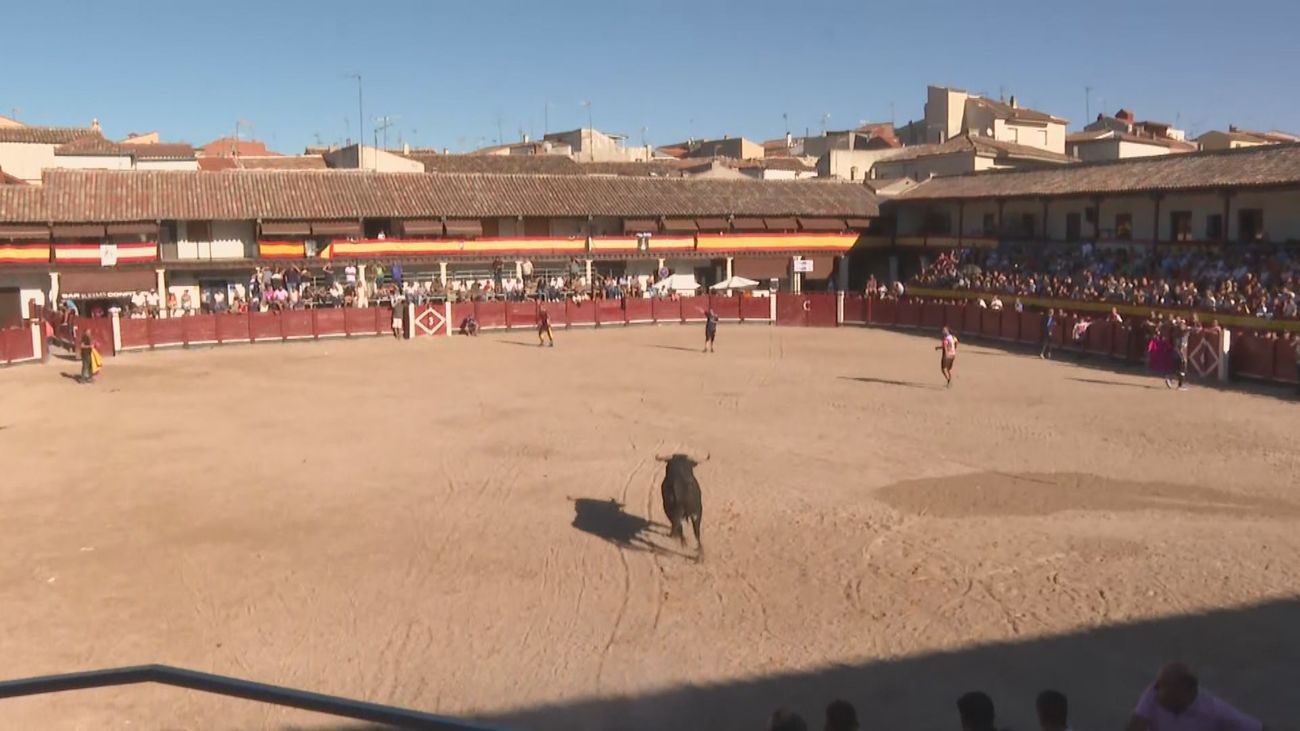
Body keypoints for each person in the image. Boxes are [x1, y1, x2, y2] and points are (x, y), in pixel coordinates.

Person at [1124, 662, 1264, 731]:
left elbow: (1255, 727)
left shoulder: (1212, 710)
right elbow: (1135, 726)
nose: (1155, 692)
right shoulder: (1155, 692)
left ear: (1183, 695)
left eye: (1166, 695)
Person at [1167, 320, 1190, 391]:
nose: (1184, 325)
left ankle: (1172, 380)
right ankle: (1178, 383)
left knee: (1180, 369)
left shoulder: (1180, 333)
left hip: (1179, 352)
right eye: (1182, 324)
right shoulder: (1180, 333)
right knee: (1182, 368)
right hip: (1179, 353)